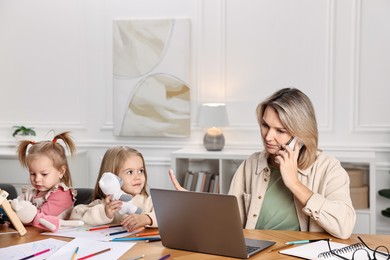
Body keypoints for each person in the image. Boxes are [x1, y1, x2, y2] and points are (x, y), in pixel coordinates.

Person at [169, 87, 356, 239]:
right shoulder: (251, 165)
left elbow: (344, 226)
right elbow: (228, 224)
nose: (268, 136)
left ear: (300, 136)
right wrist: (196, 205)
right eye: (265, 125)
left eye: (280, 131)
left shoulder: (328, 168)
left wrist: (294, 183)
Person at [70, 146, 157, 231]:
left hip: (141, 245)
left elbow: (168, 216)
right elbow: (74, 217)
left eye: (141, 171)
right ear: (112, 177)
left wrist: (146, 218)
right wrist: (105, 213)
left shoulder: (148, 202)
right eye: (130, 172)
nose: (137, 177)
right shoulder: (104, 204)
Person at [15, 131, 77, 231]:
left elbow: (36, 216)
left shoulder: (62, 194)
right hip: (33, 236)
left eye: (44, 174)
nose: (37, 179)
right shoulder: (31, 192)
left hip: (57, 239)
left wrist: (16, 214)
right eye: (33, 173)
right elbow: (16, 206)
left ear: (61, 171)